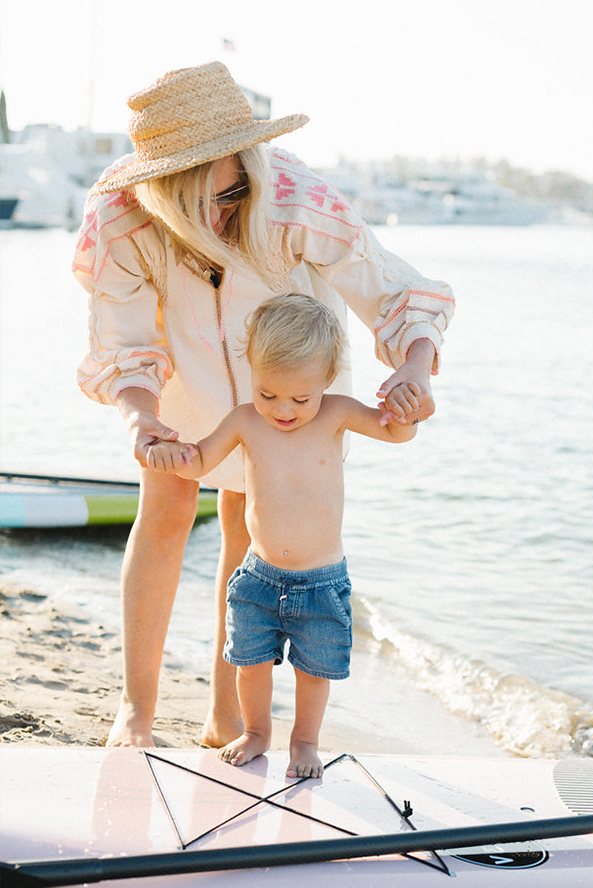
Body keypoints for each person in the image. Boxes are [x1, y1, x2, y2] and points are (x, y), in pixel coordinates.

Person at [72, 60, 455, 749]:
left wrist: (417, 370)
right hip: (182, 374)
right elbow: (122, 343)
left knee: (249, 523)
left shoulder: (292, 197)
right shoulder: (122, 219)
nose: (226, 213)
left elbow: (396, 290)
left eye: (237, 188)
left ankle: (227, 714)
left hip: (281, 373)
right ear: (165, 190)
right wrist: (140, 417)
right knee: (163, 505)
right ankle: (137, 712)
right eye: (207, 203)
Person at [146, 294, 418, 777]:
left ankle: (305, 742)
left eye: (300, 397)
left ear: (327, 381)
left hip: (321, 581)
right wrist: (170, 453)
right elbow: (202, 460)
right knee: (249, 663)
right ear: (252, 371)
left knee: (315, 672)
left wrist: (407, 409)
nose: (283, 410)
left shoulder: (337, 413)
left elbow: (397, 434)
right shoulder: (245, 420)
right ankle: (255, 731)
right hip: (259, 577)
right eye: (268, 393)